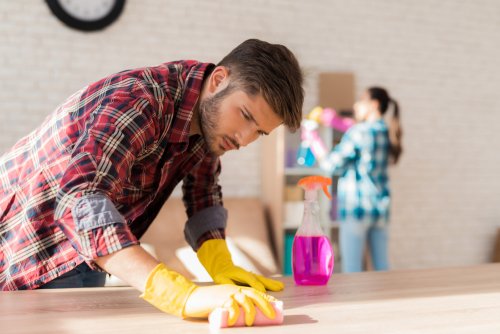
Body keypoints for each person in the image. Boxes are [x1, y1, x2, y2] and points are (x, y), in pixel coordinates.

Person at [0, 39, 304, 326]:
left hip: (89, 256)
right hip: (25, 250)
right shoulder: (139, 99)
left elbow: (203, 194)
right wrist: (178, 293)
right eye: (246, 115)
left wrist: (221, 264)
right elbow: (80, 198)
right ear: (218, 80)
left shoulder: (208, 123)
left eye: (260, 132)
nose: (244, 139)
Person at [311, 87, 402, 273]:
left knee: (352, 269)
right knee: (382, 266)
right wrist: (337, 122)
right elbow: (359, 133)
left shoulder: (359, 132)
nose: (355, 105)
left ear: (374, 105)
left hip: (357, 208)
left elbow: (330, 164)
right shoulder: (386, 130)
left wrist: (313, 139)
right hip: (380, 209)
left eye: (361, 100)